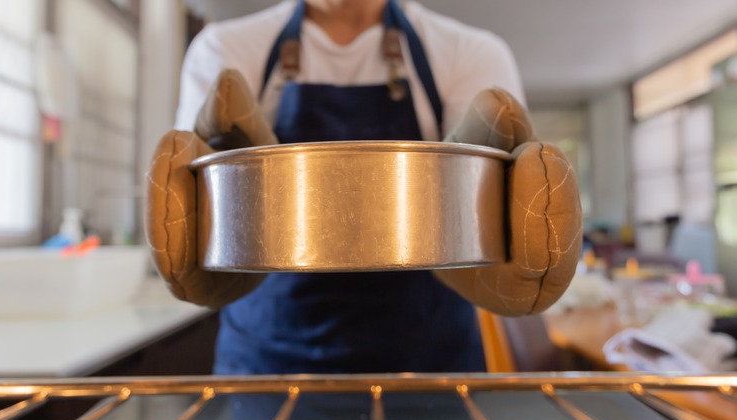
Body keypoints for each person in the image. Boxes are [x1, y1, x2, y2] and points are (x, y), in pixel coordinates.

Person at [147, 0, 582, 375]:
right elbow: (201, 207)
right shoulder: (224, 50)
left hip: (430, 368)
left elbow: (484, 205)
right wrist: (214, 246)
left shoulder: (469, 54)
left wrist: (495, 243)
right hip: (264, 367)